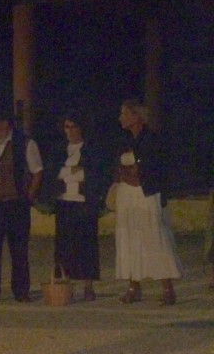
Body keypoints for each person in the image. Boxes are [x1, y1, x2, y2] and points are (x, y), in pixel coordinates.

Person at [0, 103, 44, 303]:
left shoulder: (25, 144)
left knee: (19, 250)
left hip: (15, 204)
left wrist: (28, 196)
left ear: (3, 123)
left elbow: (37, 171)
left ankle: (21, 291)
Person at [113, 99, 181, 305]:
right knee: (129, 239)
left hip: (147, 194)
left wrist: (131, 173)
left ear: (136, 117)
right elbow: (118, 169)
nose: (120, 118)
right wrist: (128, 173)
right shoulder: (125, 140)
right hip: (127, 195)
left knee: (154, 239)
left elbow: (147, 171)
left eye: (124, 114)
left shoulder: (151, 139)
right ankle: (134, 286)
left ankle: (168, 288)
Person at [41, 111, 108, 301]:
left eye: (73, 127)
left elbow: (91, 174)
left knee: (86, 245)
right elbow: (54, 173)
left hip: (85, 204)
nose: (69, 131)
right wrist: (74, 172)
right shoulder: (59, 150)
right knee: (64, 245)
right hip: (64, 203)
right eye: (66, 127)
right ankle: (66, 283)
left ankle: (88, 285)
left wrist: (69, 173)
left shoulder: (91, 149)